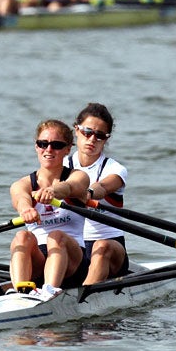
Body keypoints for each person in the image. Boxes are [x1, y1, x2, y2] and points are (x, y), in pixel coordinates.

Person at [9, 119, 90, 298]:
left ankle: (50, 291)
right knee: (22, 236)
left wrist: (54, 191)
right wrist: (25, 209)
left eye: (57, 145)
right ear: (36, 147)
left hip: (72, 260)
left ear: (68, 149)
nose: (49, 149)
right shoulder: (22, 184)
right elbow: (20, 198)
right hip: (38, 258)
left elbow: (71, 187)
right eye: (43, 144)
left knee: (56, 236)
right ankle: (20, 292)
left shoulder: (79, 176)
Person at [65, 103, 129, 285]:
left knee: (102, 247)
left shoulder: (115, 169)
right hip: (75, 246)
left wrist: (89, 192)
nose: (92, 139)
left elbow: (103, 187)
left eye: (100, 135)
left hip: (108, 245)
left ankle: (83, 299)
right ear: (76, 130)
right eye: (87, 132)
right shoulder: (61, 164)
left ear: (106, 139)